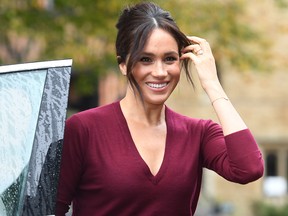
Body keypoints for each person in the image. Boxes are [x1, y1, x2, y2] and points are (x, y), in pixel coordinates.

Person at [56, 2, 264, 215]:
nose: (160, 71)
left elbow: (249, 169)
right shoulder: (83, 129)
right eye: (145, 59)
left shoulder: (198, 133)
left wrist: (212, 83)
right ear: (123, 64)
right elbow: (51, 209)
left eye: (169, 59)